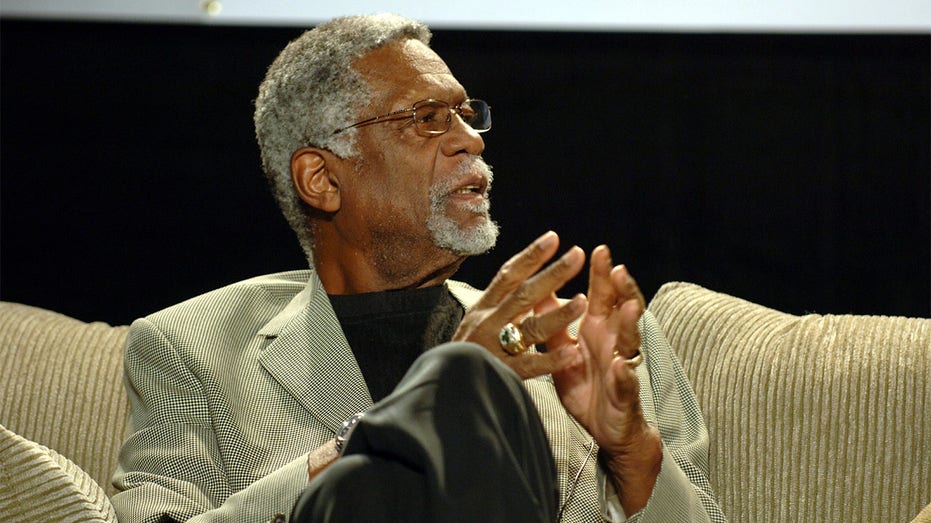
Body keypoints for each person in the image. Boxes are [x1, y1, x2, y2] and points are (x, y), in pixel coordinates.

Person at [112, 13, 725, 522]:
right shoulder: (190, 348)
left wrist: (633, 452)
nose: (471, 140)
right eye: (427, 118)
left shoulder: (593, 340)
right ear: (322, 179)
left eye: (465, 114)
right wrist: (418, 415)